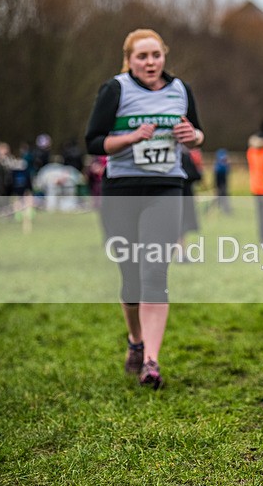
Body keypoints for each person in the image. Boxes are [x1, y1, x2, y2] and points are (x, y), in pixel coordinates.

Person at [85, 28, 205, 388]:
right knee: (131, 276)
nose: (150, 62)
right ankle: (135, 341)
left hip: (166, 189)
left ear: (164, 56)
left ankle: (151, 361)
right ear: (129, 60)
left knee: (155, 272)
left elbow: (198, 134)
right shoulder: (115, 90)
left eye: (156, 55)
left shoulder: (180, 89)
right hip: (121, 190)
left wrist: (192, 137)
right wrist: (132, 137)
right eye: (142, 56)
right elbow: (94, 142)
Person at [213, 148, 231, 214]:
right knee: (220, 194)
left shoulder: (222, 164)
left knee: (223, 194)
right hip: (219, 179)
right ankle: (222, 209)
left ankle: (225, 210)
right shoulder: (219, 165)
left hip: (223, 180)